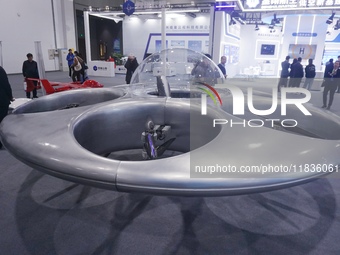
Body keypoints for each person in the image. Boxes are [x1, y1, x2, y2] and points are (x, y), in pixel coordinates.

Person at [0, 66, 15, 149]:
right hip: (1, 100)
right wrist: (10, 96)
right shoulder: (0, 70)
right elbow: (5, 84)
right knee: (2, 121)